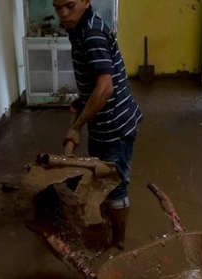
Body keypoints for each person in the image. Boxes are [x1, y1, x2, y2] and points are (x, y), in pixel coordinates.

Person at [53, 0, 143, 250]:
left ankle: (118, 244)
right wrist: (83, 100)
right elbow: (97, 81)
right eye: (57, 7)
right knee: (100, 173)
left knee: (114, 184)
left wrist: (76, 126)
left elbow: (105, 87)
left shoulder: (92, 33)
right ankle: (106, 221)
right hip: (102, 120)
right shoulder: (79, 28)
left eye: (69, 5)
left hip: (115, 124)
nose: (63, 13)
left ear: (85, 1)